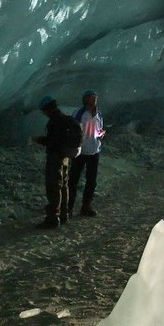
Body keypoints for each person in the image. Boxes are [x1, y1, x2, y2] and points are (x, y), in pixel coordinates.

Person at [32, 96, 83, 229]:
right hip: (66, 156)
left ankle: (53, 219)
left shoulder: (54, 122)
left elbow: (52, 142)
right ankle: (64, 215)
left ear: (46, 109)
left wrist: (38, 140)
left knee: (53, 186)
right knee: (64, 185)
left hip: (55, 157)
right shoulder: (66, 119)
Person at [69, 89, 106, 217]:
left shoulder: (99, 114)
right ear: (85, 99)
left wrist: (101, 134)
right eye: (92, 97)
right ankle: (68, 207)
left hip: (94, 151)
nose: (95, 99)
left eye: (95, 97)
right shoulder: (79, 114)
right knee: (73, 179)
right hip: (81, 151)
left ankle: (86, 206)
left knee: (91, 180)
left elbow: (99, 130)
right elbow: (73, 129)